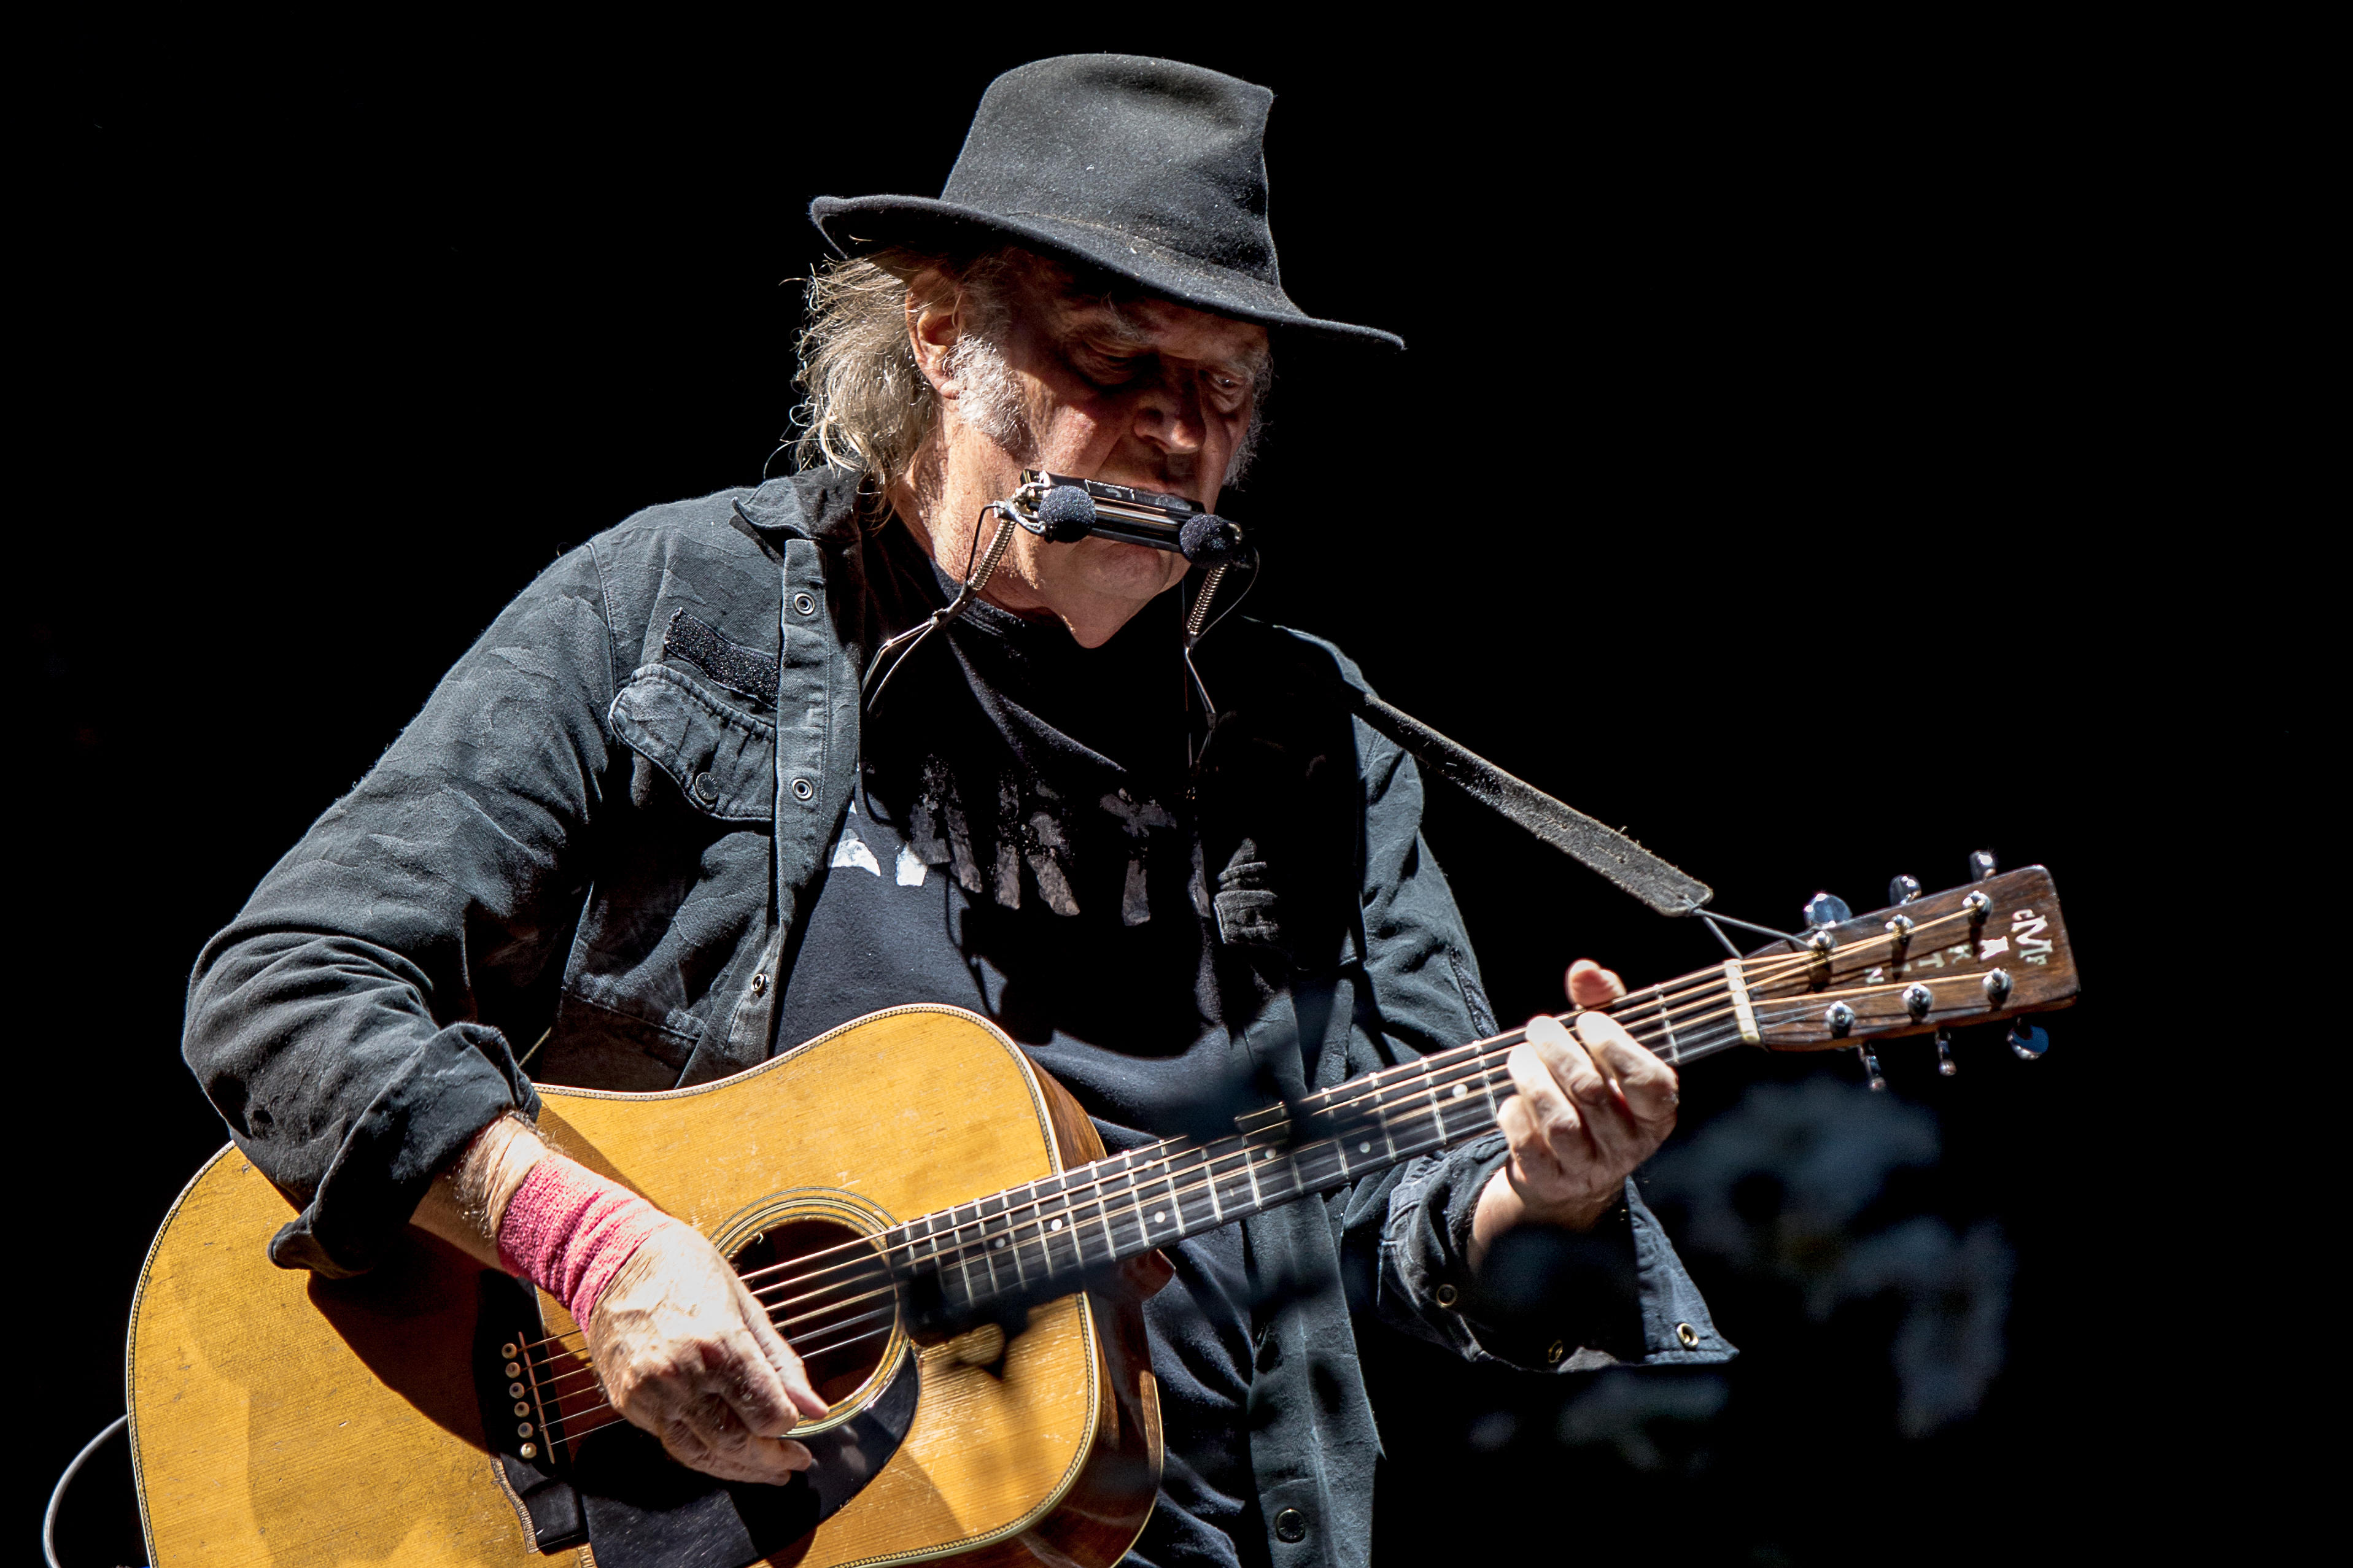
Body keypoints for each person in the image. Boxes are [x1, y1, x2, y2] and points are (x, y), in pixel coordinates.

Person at [184, 54, 1730, 1568]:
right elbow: (286, 988)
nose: (1181, 440)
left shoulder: (1312, 743)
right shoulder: (681, 610)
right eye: (1116, 362)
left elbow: (1419, 1228)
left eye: (1226, 391)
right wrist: (595, 1254)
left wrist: (1549, 1185)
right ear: (940, 336)